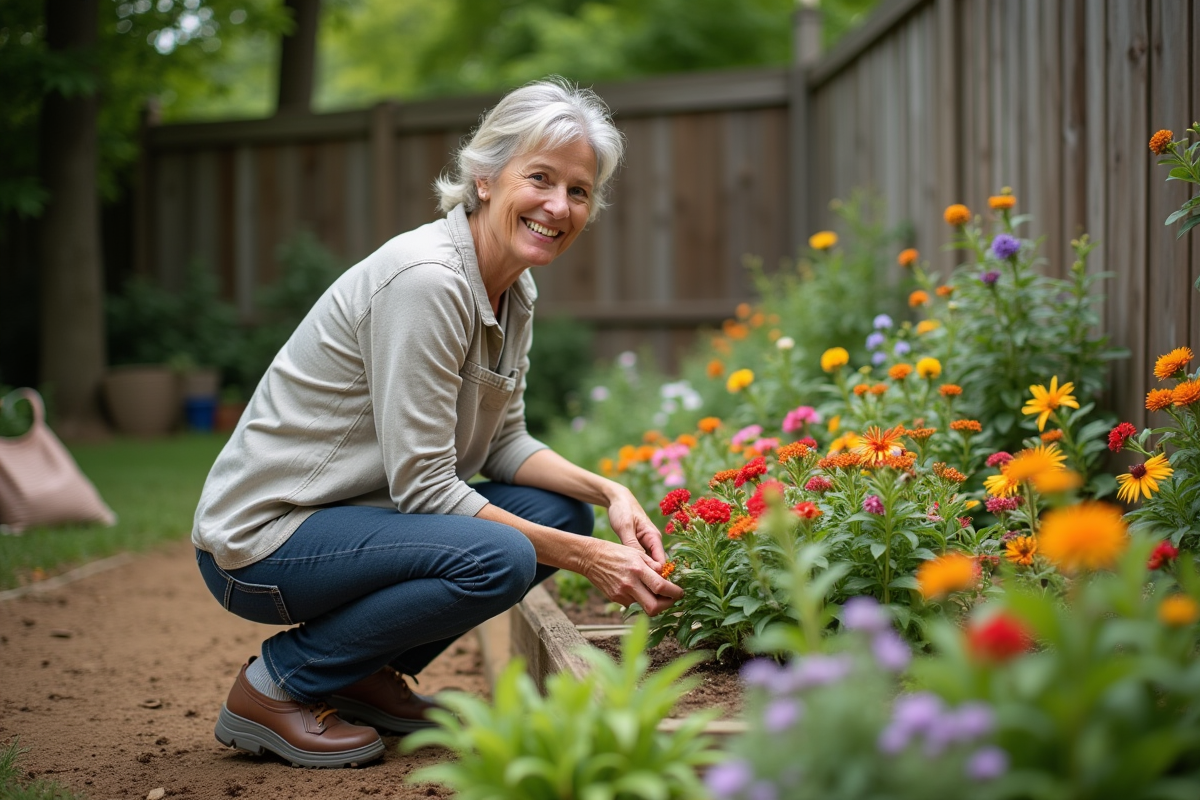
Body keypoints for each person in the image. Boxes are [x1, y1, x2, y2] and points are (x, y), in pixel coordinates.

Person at [191, 76, 683, 769]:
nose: (558, 205)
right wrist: (583, 559)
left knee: (561, 513)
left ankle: (356, 671)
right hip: (264, 540)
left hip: (357, 520)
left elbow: (505, 443)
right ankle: (276, 687)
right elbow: (427, 488)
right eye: (539, 177)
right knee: (508, 553)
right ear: (484, 177)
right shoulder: (427, 281)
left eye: (578, 190)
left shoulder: (513, 290)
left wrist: (612, 494)